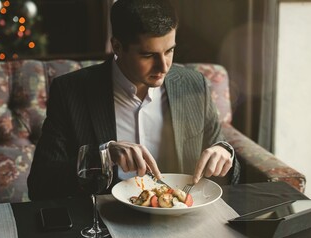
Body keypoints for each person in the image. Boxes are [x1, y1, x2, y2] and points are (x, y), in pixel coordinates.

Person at [27, 0, 240, 201]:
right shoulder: (70, 91)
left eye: (169, 51)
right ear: (117, 47)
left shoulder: (195, 85)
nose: (164, 67)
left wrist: (224, 153)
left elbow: (224, 160)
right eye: (148, 55)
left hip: (183, 221)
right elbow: (40, 185)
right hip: (104, 222)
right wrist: (104, 154)